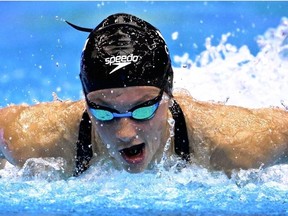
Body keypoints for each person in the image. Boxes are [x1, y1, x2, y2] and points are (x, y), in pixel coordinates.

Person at [0, 13, 287, 178]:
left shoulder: (232, 143)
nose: (125, 132)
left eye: (142, 111)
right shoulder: (34, 139)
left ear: (168, 94)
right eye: (103, 112)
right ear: (85, 101)